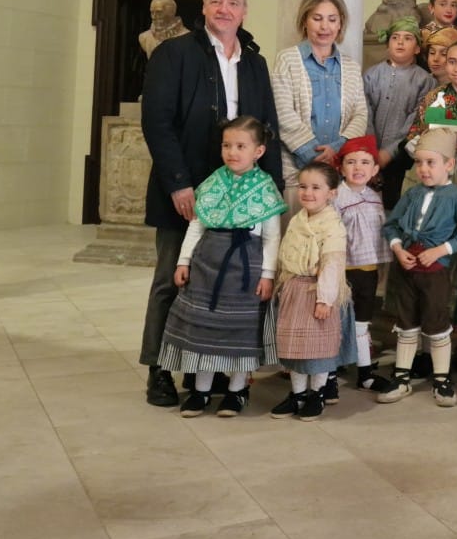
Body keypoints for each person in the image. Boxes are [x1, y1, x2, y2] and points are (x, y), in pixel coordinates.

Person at [139, 0, 283, 408]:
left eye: (233, 3)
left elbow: (267, 129)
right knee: (172, 278)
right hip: (185, 191)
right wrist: (179, 183)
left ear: (244, 10)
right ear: (203, 8)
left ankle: (216, 368)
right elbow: (157, 123)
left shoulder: (255, 62)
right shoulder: (173, 53)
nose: (224, 10)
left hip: (242, 194)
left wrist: (270, 191)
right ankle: (160, 369)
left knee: (229, 284)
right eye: (216, 2)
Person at [159, 116, 285, 418]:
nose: (232, 152)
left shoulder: (265, 188)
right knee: (204, 329)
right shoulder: (213, 182)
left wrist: (268, 274)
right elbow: (196, 226)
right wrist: (183, 260)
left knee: (240, 332)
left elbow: (271, 237)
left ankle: (237, 390)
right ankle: (201, 391)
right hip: (206, 266)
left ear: (258, 151)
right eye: (227, 145)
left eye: (241, 146)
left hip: (246, 270)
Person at [378, 129, 457, 406]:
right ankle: (402, 377)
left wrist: (440, 250)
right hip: (407, 268)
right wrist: (398, 248)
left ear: (448, 164)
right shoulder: (412, 194)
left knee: (436, 321)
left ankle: (442, 379)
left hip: (436, 271)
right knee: (406, 321)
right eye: (419, 162)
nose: (423, 169)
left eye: (431, 162)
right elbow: (391, 225)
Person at [270, 161, 354, 420]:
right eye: (303, 186)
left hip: (318, 292)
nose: (307, 192)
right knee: (295, 347)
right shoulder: (298, 219)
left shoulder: (332, 225)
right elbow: (287, 252)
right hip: (295, 288)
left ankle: (317, 393)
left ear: (332, 193)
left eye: (316, 187)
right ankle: (297, 394)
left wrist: (325, 299)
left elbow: (332, 264)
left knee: (317, 349)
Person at [272, 0, 368, 192]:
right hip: (296, 173)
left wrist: (337, 148)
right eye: (317, 18)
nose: (325, 26)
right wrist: (312, 154)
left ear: (340, 22)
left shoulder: (351, 66)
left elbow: (360, 114)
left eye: (332, 19)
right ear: (305, 20)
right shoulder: (287, 59)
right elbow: (282, 112)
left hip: (339, 172)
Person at [335, 136, 391, 391]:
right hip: (340, 271)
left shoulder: (375, 198)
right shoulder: (335, 198)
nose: (358, 168)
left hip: (367, 271)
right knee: (336, 321)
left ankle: (365, 372)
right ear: (341, 167)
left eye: (365, 162)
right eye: (351, 162)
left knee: (362, 323)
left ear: (375, 169)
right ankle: (331, 370)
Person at [363, 18, 435, 210]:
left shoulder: (425, 81)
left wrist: (389, 152)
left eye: (408, 38)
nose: (400, 42)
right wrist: (372, 151)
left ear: (418, 48)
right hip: (368, 154)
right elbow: (365, 112)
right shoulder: (371, 75)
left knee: (394, 207)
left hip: (401, 158)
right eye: (395, 37)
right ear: (388, 45)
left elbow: (416, 118)